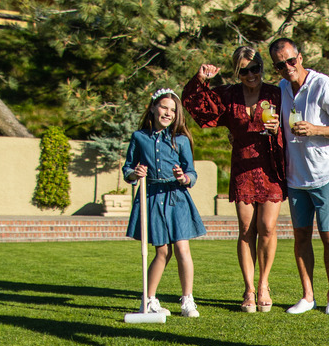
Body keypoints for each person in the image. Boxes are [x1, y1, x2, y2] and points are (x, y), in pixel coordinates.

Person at [183, 45, 286, 312]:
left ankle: (264, 284)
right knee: (245, 229)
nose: (250, 74)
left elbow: (295, 124)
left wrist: (278, 130)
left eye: (255, 69)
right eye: (244, 70)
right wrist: (201, 79)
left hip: (271, 166)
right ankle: (249, 289)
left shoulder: (276, 93)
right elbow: (197, 107)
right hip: (243, 167)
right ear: (236, 72)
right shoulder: (228, 95)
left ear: (262, 68)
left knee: (267, 227)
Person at [268, 38, 329, 316]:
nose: (287, 67)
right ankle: (308, 296)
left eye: (291, 61)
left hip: (326, 173)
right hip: (296, 177)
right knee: (301, 237)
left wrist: (316, 129)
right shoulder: (281, 89)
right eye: (280, 64)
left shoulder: (323, 85)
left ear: (300, 57)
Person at [123, 87, 207, 318]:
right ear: (152, 108)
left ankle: (187, 300)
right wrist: (134, 173)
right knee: (161, 251)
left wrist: (185, 178)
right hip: (152, 197)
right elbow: (128, 167)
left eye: (172, 110)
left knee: (182, 248)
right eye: (163, 107)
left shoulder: (180, 139)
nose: (168, 113)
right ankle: (148, 300)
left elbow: (192, 172)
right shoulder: (139, 137)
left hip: (177, 197)